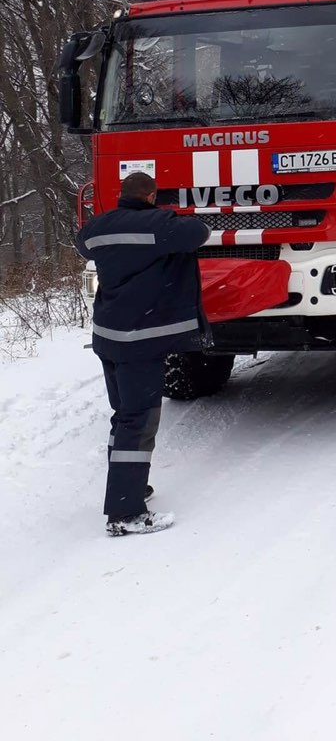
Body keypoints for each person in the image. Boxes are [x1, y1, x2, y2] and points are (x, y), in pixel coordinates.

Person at [75, 171, 210, 536]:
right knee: (138, 421)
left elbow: (82, 245)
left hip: (109, 337)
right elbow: (199, 233)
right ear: (151, 196)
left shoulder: (98, 227)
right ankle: (126, 513)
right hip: (141, 341)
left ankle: (131, 488)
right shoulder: (161, 225)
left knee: (124, 416)